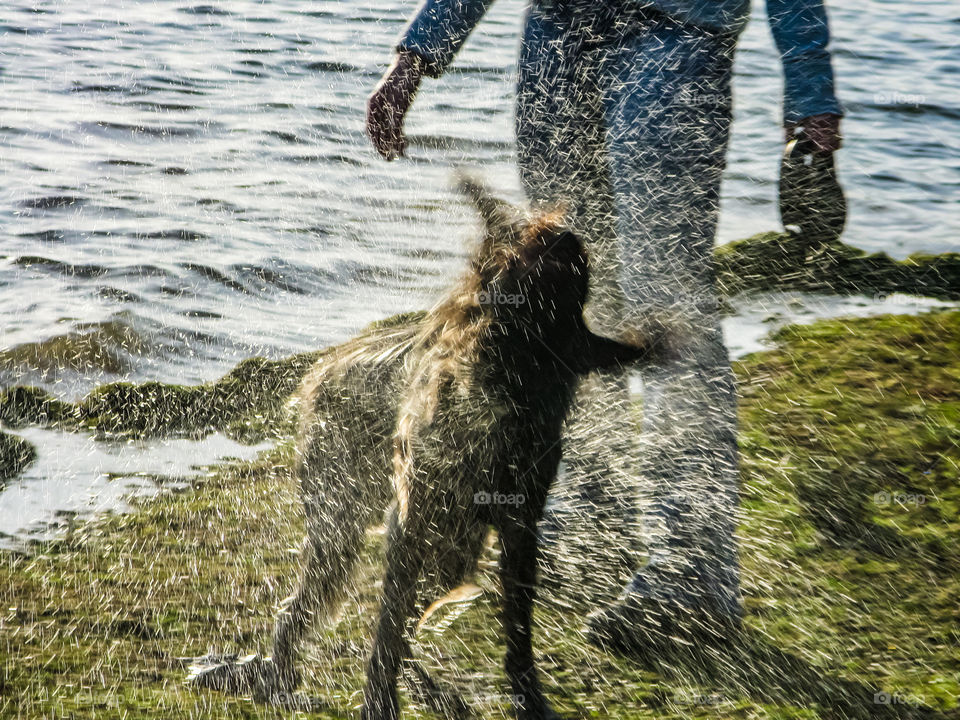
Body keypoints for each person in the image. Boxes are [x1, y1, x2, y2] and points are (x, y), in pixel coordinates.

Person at [366, 0, 842, 652]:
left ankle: (692, 577)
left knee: (671, 308)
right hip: (557, 35)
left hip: (679, 32)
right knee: (571, 309)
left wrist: (810, 90)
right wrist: (413, 58)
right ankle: (596, 517)